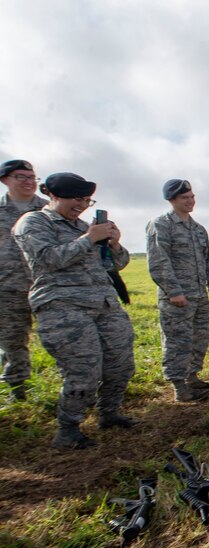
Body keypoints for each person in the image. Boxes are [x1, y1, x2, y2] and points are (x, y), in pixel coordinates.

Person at [14, 173, 138, 449]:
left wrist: (114, 244)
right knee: (84, 370)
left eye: (86, 200)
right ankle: (68, 429)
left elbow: (114, 265)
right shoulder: (34, 222)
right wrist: (88, 239)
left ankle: (110, 414)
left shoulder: (83, 226)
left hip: (104, 304)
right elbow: (47, 259)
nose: (82, 205)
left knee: (121, 363)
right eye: (76, 199)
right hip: (63, 308)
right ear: (54, 196)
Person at [146, 179, 209, 402]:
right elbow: (159, 261)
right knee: (177, 340)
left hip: (199, 295)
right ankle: (179, 387)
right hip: (177, 297)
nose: (190, 201)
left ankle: (193, 378)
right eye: (184, 198)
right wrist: (173, 291)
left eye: (192, 197)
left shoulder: (198, 229)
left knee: (199, 338)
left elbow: (208, 260)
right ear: (172, 200)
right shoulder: (161, 224)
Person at [0, 159, 47, 402]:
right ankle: (16, 389)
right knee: (12, 341)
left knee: (63, 337)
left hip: (46, 285)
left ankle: (77, 388)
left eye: (32, 178)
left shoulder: (47, 210)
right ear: (5, 180)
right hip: (7, 287)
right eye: (21, 177)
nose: (29, 182)